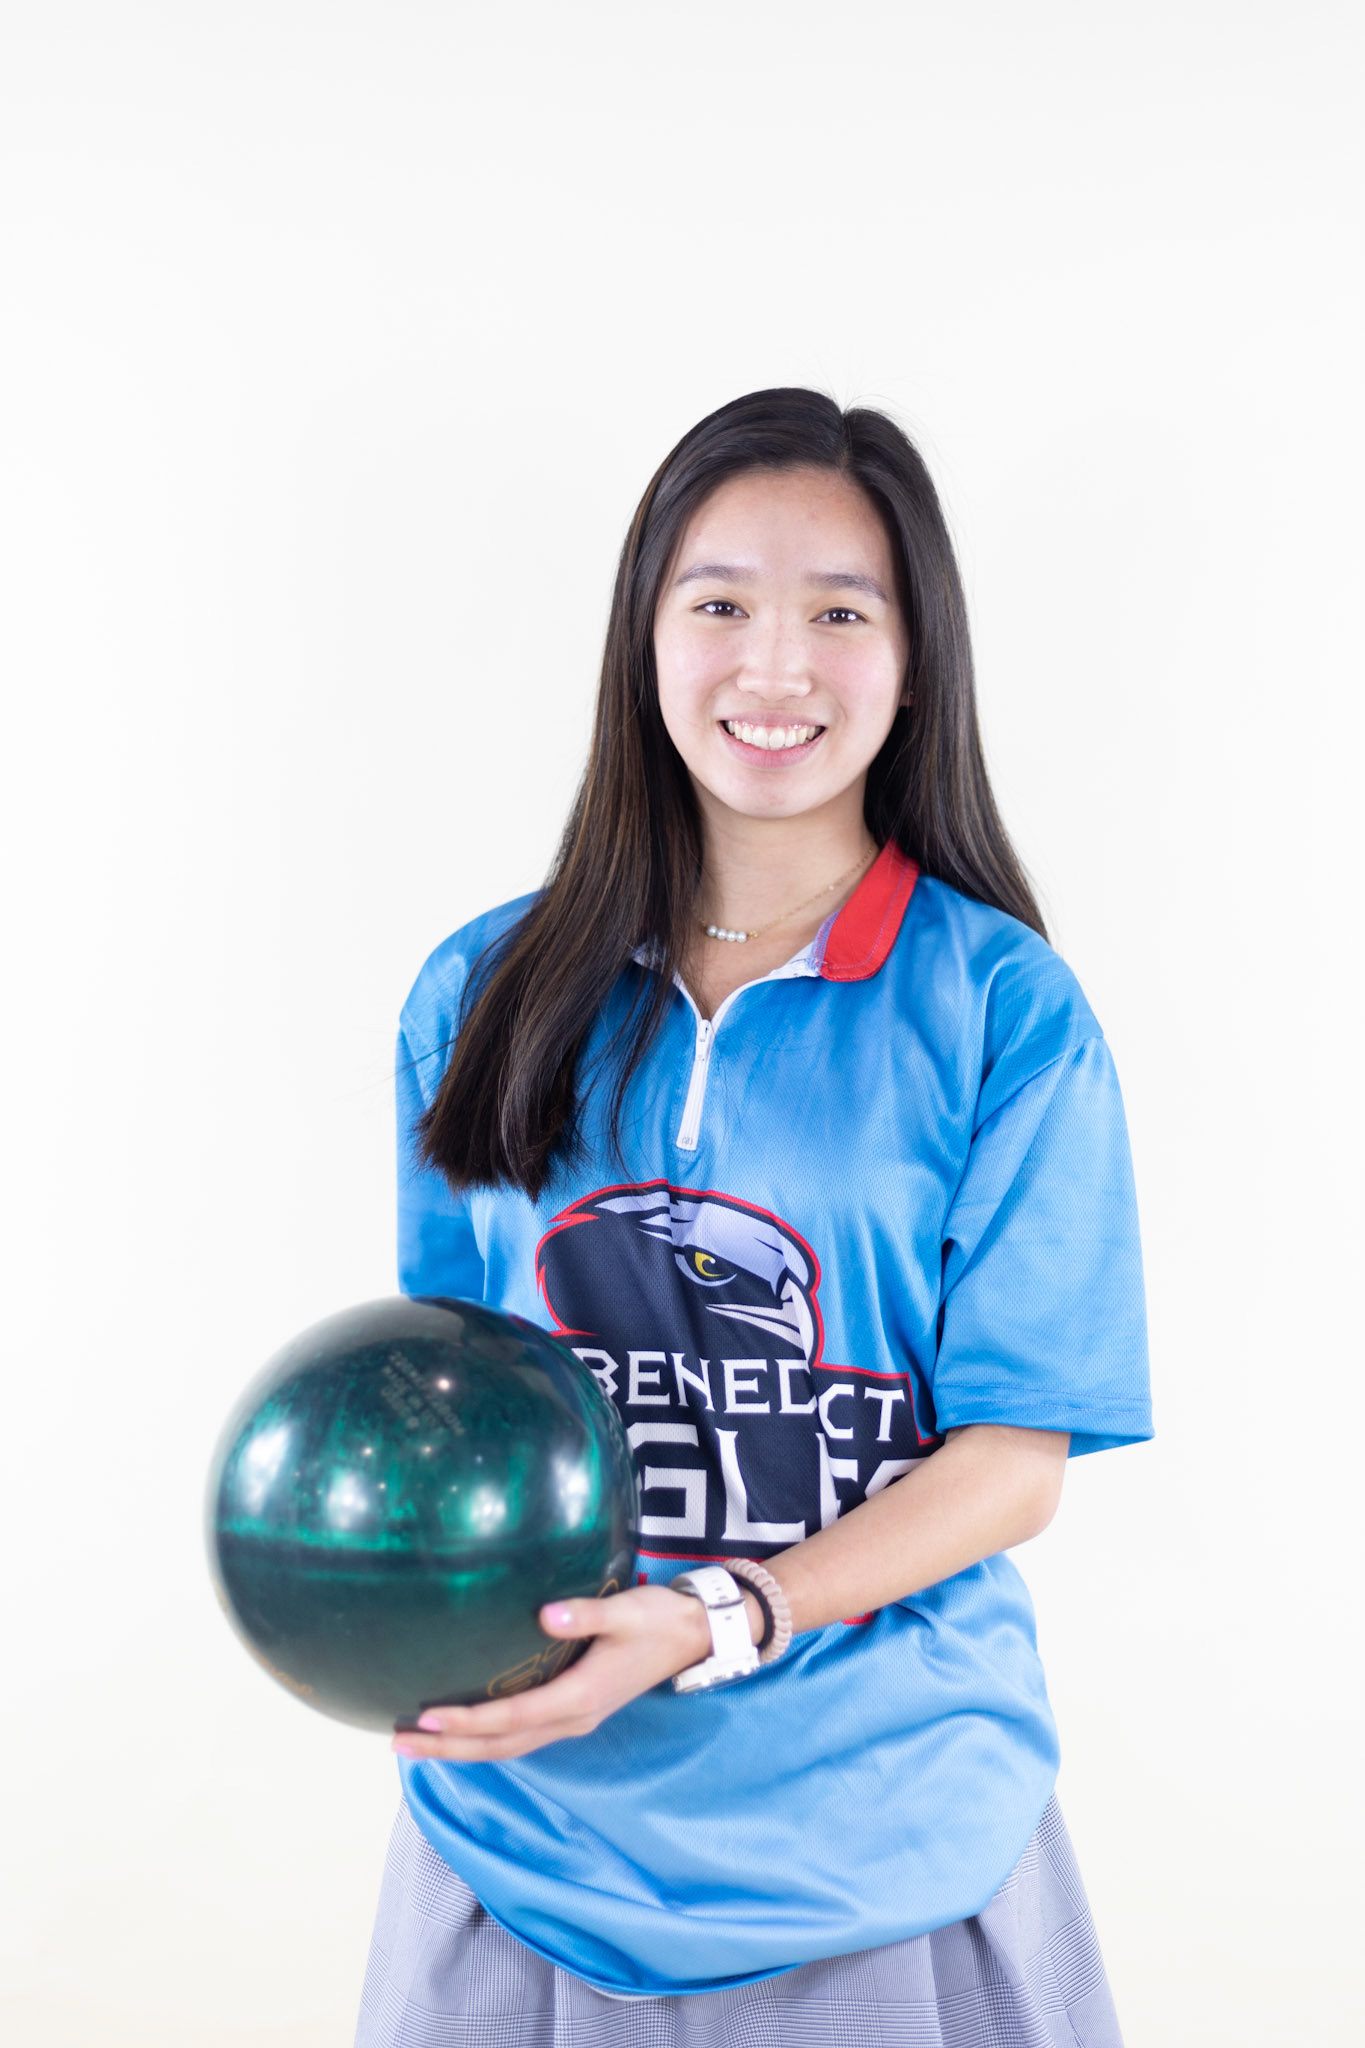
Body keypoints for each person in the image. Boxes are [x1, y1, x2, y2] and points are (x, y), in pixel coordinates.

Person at [354, 387, 1152, 2046]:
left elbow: (1011, 1464)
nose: (772, 670)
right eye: (716, 604)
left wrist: (726, 1614)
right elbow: (457, 1407)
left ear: (914, 658)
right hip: (525, 1842)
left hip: (882, 1846)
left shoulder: (1002, 1009)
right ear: (643, 639)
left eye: (837, 614)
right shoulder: (481, 993)